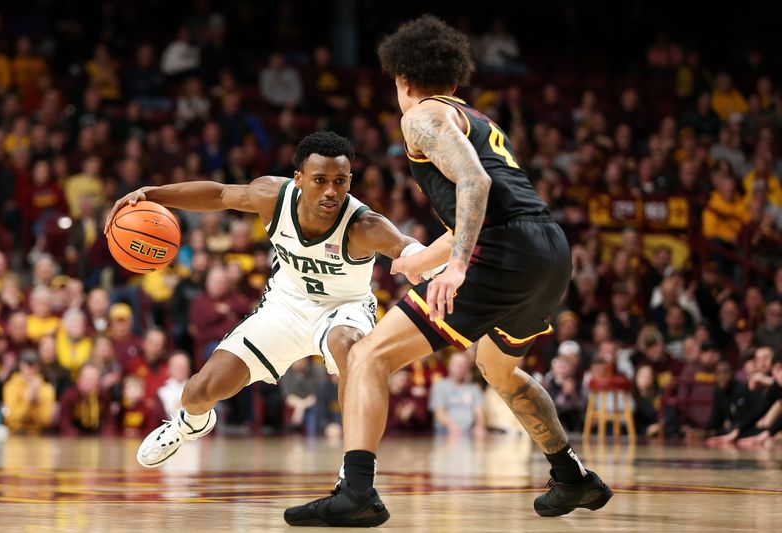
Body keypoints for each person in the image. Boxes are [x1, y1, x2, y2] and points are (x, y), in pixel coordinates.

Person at [285, 15, 611, 527]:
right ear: (455, 79)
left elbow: (475, 186)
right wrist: (424, 258)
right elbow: (497, 203)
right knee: (499, 369)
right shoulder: (474, 118)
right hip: (547, 248)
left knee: (369, 356)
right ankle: (571, 475)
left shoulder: (421, 117)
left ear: (403, 80)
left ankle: (357, 491)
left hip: (502, 251)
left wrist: (456, 265)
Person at [105, 131, 440, 468]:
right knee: (199, 391)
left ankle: (354, 467)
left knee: (351, 350)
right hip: (285, 306)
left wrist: (438, 268)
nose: (330, 191)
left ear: (349, 181)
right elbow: (220, 194)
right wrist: (153, 194)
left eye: (340, 181)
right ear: (299, 179)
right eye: (320, 180)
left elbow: (407, 247)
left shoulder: (364, 225)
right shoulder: (271, 196)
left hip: (344, 309)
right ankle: (190, 423)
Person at [429, 350, 486, 436]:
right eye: (457, 364)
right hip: (445, 432)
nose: (460, 367)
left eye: (464, 365)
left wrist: (480, 426)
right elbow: (439, 413)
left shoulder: (474, 388)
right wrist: (452, 427)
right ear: (449, 366)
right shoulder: (440, 386)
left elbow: (479, 412)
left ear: (468, 368)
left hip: (469, 432)